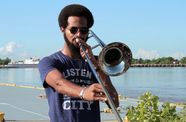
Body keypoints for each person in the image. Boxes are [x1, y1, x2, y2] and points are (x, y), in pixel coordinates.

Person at [38, 4, 119, 122]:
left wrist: (96, 65)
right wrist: (83, 92)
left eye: (84, 30)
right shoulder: (49, 61)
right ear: (62, 29)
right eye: (73, 30)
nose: (79, 35)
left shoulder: (97, 63)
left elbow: (114, 103)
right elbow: (58, 83)